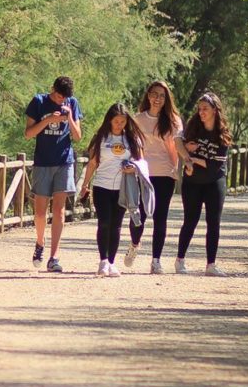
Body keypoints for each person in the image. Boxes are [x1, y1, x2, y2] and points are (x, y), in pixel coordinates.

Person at [24, 75, 81, 272]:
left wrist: (70, 117)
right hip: (43, 163)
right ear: (52, 89)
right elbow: (28, 134)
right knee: (40, 212)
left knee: (59, 211)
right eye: (57, 96)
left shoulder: (72, 103)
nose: (59, 101)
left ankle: (54, 257)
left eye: (62, 98)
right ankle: (40, 242)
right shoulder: (38, 101)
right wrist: (49, 119)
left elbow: (78, 136)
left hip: (65, 162)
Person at [82, 103, 144, 276]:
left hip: (122, 188)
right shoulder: (101, 138)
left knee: (116, 225)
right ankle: (103, 261)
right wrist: (85, 184)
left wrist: (134, 168)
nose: (119, 125)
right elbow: (93, 163)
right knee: (104, 222)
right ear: (110, 120)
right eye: (116, 121)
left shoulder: (131, 140)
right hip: (102, 186)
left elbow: (141, 163)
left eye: (122, 122)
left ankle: (111, 262)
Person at [127, 80, 182, 272]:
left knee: (160, 217)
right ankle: (134, 244)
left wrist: (176, 169)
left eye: (161, 95)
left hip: (165, 173)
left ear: (166, 98)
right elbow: (132, 145)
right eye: (154, 94)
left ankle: (156, 260)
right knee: (138, 215)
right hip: (143, 173)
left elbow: (177, 147)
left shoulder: (173, 121)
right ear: (148, 96)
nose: (157, 98)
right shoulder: (138, 119)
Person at [175, 90, 232, 275]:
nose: (202, 112)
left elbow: (214, 164)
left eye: (205, 108)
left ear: (215, 110)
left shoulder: (222, 134)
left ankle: (211, 265)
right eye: (199, 109)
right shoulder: (192, 128)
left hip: (215, 181)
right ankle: (180, 260)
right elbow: (177, 140)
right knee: (190, 220)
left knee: (213, 222)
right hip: (192, 182)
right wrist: (186, 155)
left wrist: (191, 158)